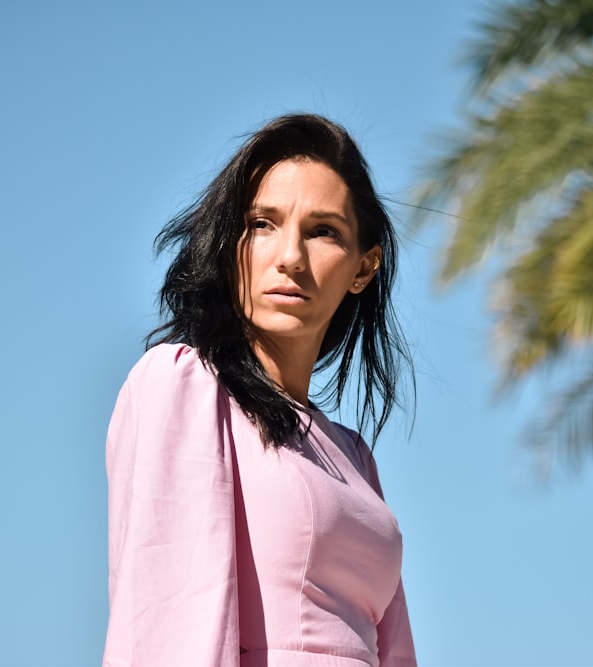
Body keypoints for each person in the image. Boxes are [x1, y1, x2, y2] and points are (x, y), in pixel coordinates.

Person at [103, 114, 417, 666]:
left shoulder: (353, 456)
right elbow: (168, 625)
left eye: (323, 231)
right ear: (229, 245)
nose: (290, 257)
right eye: (262, 224)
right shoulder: (186, 386)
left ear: (363, 267)